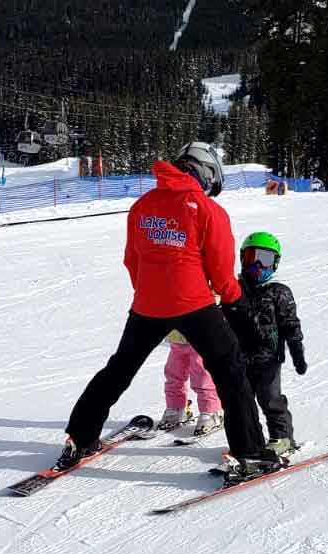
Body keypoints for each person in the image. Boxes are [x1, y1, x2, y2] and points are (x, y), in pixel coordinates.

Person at [59, 142, 280, 479]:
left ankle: (81, 436)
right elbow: (221, 274)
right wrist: (237, 301)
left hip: (147, 305)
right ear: (205, 173)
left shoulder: (142, 206)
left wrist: (151, 292)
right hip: (195, 305)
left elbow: (132, 260)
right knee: (230, 370)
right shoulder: (206, 209)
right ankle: (249, 452)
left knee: (119, 369)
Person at [236, 231, 307, 458]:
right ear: (242, 258)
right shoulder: (234, 291)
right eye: (251, 257)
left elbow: (291, 325)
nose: (257, 265)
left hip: (269, 359)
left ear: (274, 264)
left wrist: (297, 354)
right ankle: (251, 440)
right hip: (240, 358)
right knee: (242, 401)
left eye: (264, 259)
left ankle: (282, 437)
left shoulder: (279, 292)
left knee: (269, 398)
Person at [159, 326, 224, 436]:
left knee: (202, 377)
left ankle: (211, 411)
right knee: (173, 374)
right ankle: (176, 408)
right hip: (176, 336)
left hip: (200, 336)